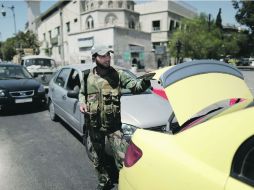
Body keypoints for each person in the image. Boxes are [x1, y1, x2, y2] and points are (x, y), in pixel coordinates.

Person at [79, 45, 151, 190]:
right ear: (95, 58)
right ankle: (104, 181)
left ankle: (128, 185)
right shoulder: (87, 76)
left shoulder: (118, 74)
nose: (107, 59)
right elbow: (82, 93)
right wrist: (82, 102)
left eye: (108, 55)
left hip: (113, 126)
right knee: (97, 157)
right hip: (94, 125)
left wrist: (145, 80)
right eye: (103, 56)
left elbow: (135, 86)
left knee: (124, 158)